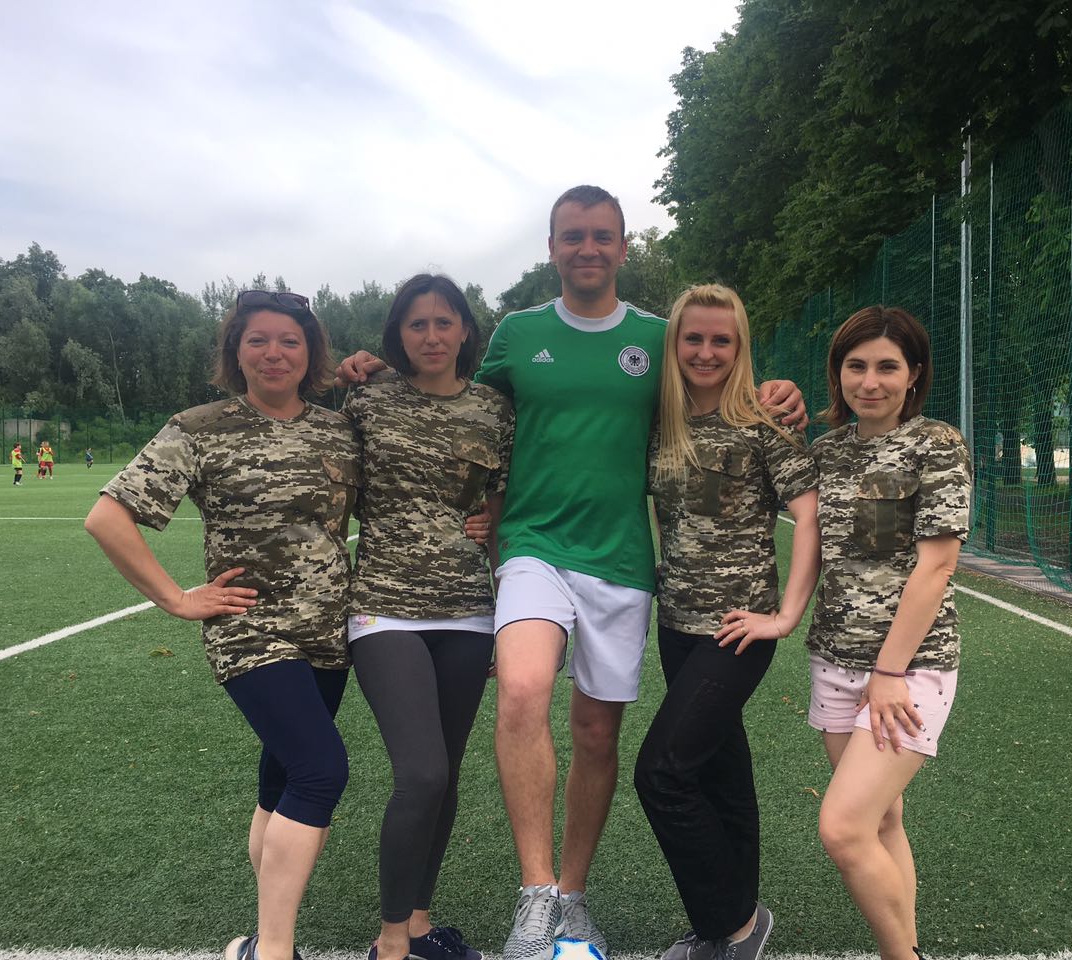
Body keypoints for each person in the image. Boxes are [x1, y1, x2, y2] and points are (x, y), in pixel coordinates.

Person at [337, 185, 805, 960]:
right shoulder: (519, 333)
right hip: (533, 546)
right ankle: (535, 895)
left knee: (595, 731)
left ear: (623, 246)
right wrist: (380, 365)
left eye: (601, 235)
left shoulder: (659, 337)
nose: (587, 248)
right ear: (552, 248)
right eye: (572, 236)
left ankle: (574, 897)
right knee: (522, 689)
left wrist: (775, 390)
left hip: (622, 561)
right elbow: (454, 392)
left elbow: (716, 374)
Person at [84, 290, 360, 960]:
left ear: (311, 352)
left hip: (330, 634)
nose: (274, 353)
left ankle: (255, 940)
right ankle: (274, 950)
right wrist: (176, 599)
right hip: (251, 631)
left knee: (283, 781)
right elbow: (108, 517)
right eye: (257, 339)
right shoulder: (199, 428)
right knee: (321, 771)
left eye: (289, 340)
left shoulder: (338, 430)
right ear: (236, 351)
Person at [634, 285, 819, 960]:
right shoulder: (658, 421)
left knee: (661, 773)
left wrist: (785, 616)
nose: (706, 352)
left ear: (740, 346)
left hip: (737, 630)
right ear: (674, 343)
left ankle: (731, 924)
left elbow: (810, 516)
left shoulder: (764, 422)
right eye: (694, 338)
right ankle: (737, 924)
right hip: (676, 625)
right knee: (719, 770)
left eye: (722, 340)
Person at [344, 274, 513, 960]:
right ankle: (390, 944)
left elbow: (503, 503)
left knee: (445, 775)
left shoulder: (494, 410)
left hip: (467, 611)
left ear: (466, 330)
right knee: (421, 774)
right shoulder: (365, 399)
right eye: (418, 324)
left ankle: (418, 924)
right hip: (384, 607)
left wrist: (491, 534)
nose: (433, 336)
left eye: (445, 322)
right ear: (398, 333)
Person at [806, 306, 971, 960]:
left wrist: (889, 672)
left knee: (843, 828)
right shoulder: (826, 452)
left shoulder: (937, 444)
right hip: (834, 659)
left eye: (887, 367)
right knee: (880, 820)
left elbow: (937, 566)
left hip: (908, 668)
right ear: (838, 373)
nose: (869, 381)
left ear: (914, 374)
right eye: (856, 366)